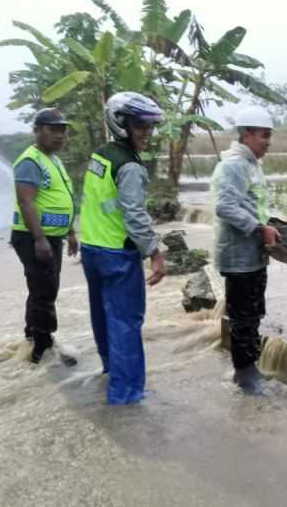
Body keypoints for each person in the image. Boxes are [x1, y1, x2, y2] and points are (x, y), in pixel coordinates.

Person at [78, 92, 166, 406]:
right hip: (117, 253)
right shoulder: (129, 166)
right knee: (126, 323)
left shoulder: (100, 155)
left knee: (103, 316)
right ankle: (126, 397)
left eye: (150, 126)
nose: (146, 132)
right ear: (121, 123)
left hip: (92, 249)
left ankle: (111, 372)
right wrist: (154, 252)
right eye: (139, 125)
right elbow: (134, 214)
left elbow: (96, 202)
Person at [211, 105, 280, 396]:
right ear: (247, 134)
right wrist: (258, 228)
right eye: (264, 136)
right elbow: (225, 207)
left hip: (253, 255)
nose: (267, 142)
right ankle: (245, 374)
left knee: (253, 313)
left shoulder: (252, 164)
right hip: (239, 257)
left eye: (269, 136)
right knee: (243, 316)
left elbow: (253, 205)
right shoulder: (234, 165)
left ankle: (250, 368)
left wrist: (271, 226)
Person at [10, 107, 78, 364]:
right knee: (44, 291)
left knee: (43, 288)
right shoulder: (31, 161)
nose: (59, 135)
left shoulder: (53, 160)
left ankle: (33, 339)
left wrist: (70, 232)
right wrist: (39, 239)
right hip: (33, 238)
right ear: (37, 131)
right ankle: (43, 349)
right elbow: (26, 202)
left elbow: (60, 200)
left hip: (50, 237)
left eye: (62, 130)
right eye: (52, 129)